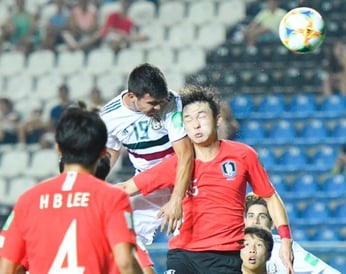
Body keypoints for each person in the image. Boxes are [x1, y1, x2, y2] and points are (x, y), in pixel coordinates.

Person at [116, 84, 294, 273]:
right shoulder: (178, 164)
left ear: (217, 120)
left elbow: (270, 196)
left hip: (226, 257)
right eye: (188, 119)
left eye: (201, 116)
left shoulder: (243, 155)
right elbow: (126, 188)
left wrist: (285, 239)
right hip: (183, 255)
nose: (196, 124)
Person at [0, 106, 143, 274]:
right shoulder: (113, 197)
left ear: (58, 149)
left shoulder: (28, 199)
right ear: (103, 152)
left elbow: (7, 268)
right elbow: (125, 262)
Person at [100, 63, 194, 245]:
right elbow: (111, 151)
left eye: (161, 101)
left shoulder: (172, 102)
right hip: (146, 183)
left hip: (181, 178)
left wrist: (176, 198)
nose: (158, 107)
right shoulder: (109, 117)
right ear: (132, 96)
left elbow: (185, 155)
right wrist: (97, 181)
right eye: (152, 103)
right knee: (125, 240)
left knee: (191, 242)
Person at [245, 194, 341, 274]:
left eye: (262, 216)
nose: (255, 221)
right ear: (244, 220)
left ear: (273, 223)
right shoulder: (234, 245)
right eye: (251, 216)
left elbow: (325, 270)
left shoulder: (284, 248)